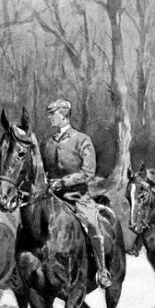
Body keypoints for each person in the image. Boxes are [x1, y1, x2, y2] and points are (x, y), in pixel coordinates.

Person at [42, 98, 113, 289]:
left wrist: (64, 182)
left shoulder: (82, 140)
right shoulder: (47, 143)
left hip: (76, 197)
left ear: (64, 115)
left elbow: (88, 172)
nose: (49, 117)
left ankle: (102, 269)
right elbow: (43, 170)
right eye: (49, 114)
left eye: (52, 113)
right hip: (51, 197)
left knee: (92, 224)